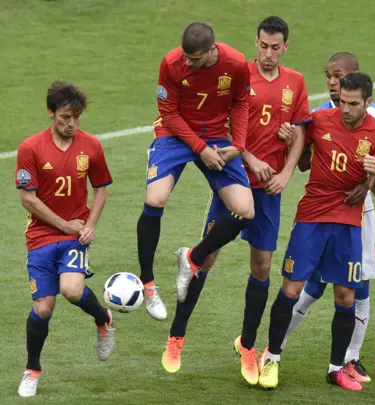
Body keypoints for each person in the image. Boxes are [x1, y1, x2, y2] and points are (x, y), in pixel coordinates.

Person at [160, 17, 311, 381]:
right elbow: (218, 125)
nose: (269, 53)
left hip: (269, 191)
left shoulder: (296, 82)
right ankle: (176, 337)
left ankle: (247, 345)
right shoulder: (235, 74)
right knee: (205, 259)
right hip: (234, 181)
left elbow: (302, 133)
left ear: (285, 47)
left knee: (261, 269)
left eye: (276, 47)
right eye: (263, 45)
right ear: (255, 42)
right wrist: (248, 158)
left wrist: (288, 171)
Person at [257, 72, 375, 391]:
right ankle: (271, 359)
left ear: (367, 103)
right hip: (312, 217)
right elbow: (301, 159)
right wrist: (292, 140)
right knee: (291, 289)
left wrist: (373, 178)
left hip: (348, 223)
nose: (345, 108)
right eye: (342, 101)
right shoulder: (319, 119)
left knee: (345, 296)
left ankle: (335, 369)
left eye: (353, 104)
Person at [136, 22, 253, 321]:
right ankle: (148, 285)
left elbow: (241, 102)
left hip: (216, 136)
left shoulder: (236, 64)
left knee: (245, 210)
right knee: (155, 199)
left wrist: (238, 144)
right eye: (186, 57)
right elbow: (169, 114)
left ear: (212, 50)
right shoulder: (172, 63)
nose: (188, 63)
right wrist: (200, 148)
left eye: (195, 59)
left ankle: (191, 258)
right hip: (175, 135)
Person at [15, 81, 115, 397]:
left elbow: (101, 188)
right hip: (41, 237)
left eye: (76, 118)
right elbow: (27, 199)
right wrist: (65, 225)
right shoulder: (30, 148)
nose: (71, 124)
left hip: (74, 237)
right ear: (51, 113)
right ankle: (32, 370)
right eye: (65, 118)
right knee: (44, 308)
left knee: (72, 290)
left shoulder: (92, 146)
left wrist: (89, 225)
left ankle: (103, 319)